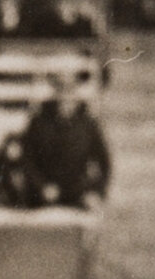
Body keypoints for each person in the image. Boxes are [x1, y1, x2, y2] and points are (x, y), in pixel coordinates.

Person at [14, 76, 110, 210]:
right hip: (41, 195)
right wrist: (42, 187)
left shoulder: (88, 125)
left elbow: (104, 163)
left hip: (76, 193)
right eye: (62, 94)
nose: (65, 100)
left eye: (70, 95)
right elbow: (26, 159)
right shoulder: (39, 123)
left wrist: (96, 192)